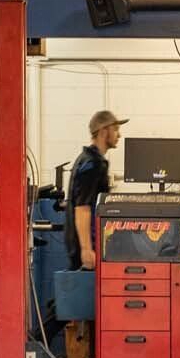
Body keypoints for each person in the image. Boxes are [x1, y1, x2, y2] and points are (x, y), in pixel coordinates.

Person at [65, 109, 126, 270]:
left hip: (86, 243)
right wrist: (86, 249)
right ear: (103, 132)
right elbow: (82, 208)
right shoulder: (92, 164)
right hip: (87, 247)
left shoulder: (88, 159)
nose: (118, 135)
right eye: (115, 129)